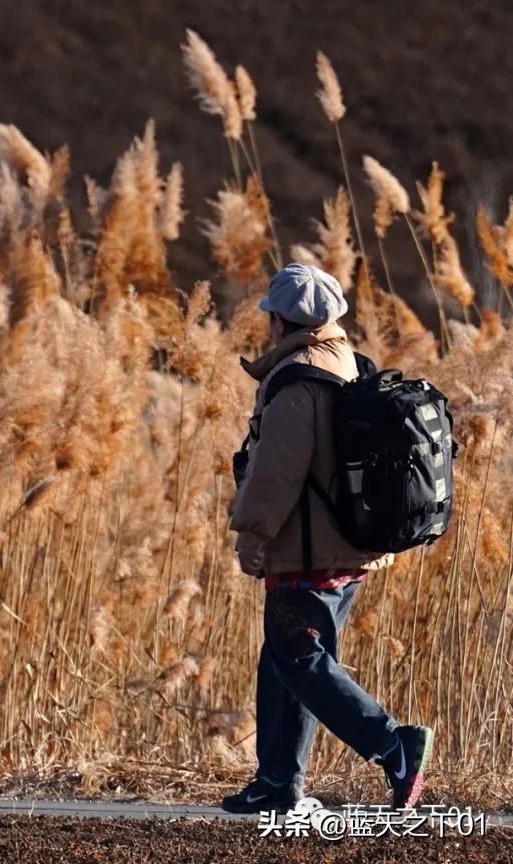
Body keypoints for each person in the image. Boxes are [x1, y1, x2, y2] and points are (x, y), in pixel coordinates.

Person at [223, 263, 433, 814]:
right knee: (287, 658)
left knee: (298, 660)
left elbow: (275, 472)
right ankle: (276, 784)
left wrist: (251, 533)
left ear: (281, 322)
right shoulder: (346, 362)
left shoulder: (297, 379)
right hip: (343, 546)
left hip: (307, 550)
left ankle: (394, 746)